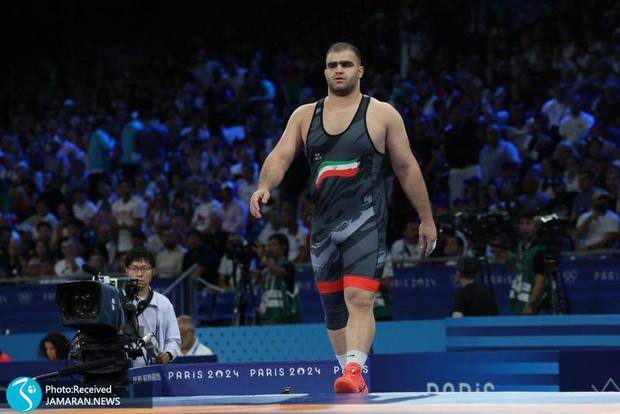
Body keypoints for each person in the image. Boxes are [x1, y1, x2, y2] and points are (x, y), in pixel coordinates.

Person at [249, 42, 437, 393]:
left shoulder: (382, 114)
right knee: (333, 309)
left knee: (359, 298)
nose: (339, 69)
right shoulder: (305, 115)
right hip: (323, 227)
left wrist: (426, 218)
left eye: (346, 64)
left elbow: (407, 167)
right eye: (332, 64)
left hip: (366, 222)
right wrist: (264, 185)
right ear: (325, 72)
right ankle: (352, 377)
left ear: (359, 71)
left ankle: (353, 370)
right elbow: (281, 155)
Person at [125, 247, 180, 365]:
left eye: (145, 268)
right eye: (134, 268)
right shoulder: (117, 300)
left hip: (154, 369)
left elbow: (174, 339)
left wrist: (169, 354)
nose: (139, 274)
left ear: (153, 272)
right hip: (124, 370)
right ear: (127, 271)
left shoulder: (164, 303)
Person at [509, 209, 550, 315]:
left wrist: (530, 304)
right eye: (521, 223)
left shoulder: (540, 250)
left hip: (535, 306)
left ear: (536, 227)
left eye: (528, 224)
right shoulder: (521, 246)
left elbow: (540, 280)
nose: (524, 227)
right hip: (521, 301)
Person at [252, 233, 300, 324]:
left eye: (274, 245)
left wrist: (263, 257)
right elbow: (255, 279)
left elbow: (278, 272)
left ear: (284, 247)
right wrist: (260, 259)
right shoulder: (266, 266)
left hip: (284, 315)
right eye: (269, 245)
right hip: (267, 314)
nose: (270, 248)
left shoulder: (289, 265)